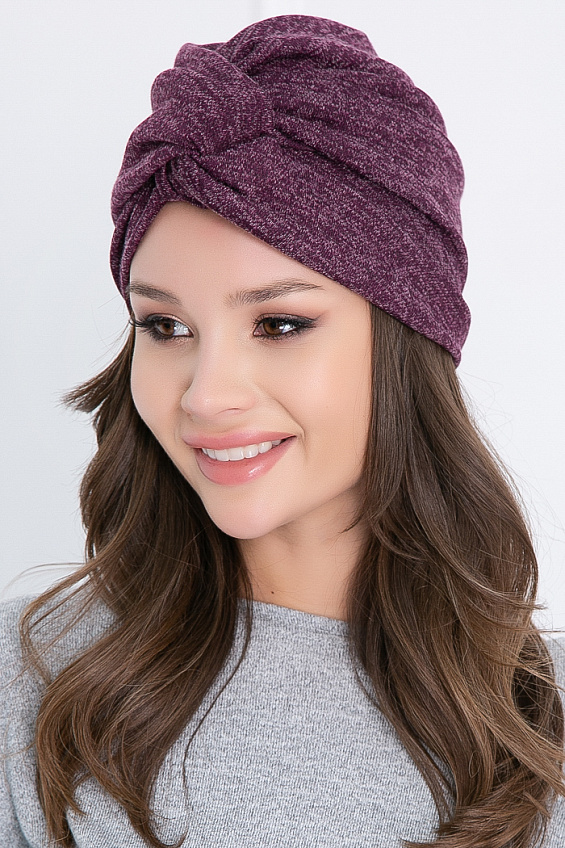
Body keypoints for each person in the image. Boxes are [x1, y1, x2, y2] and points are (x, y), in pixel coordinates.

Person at [1, 13, 564, 848]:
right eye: (164, 327)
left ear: (407, 337)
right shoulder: (30, 678)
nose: (205, 396)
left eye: (278, 324)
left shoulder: (539, 722)